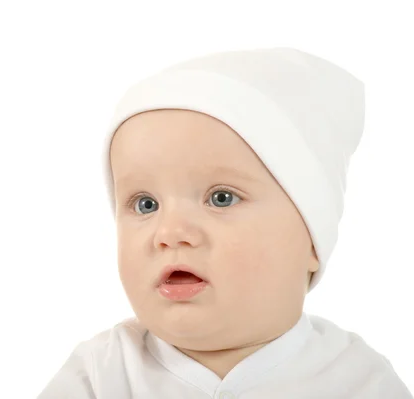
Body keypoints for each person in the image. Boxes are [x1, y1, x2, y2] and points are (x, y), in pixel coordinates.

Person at [37, 47, 413, 398]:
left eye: (221, 198)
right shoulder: (101, 375)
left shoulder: (356, 379)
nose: (169, 234)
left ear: (313, 240)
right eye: (146, 204)